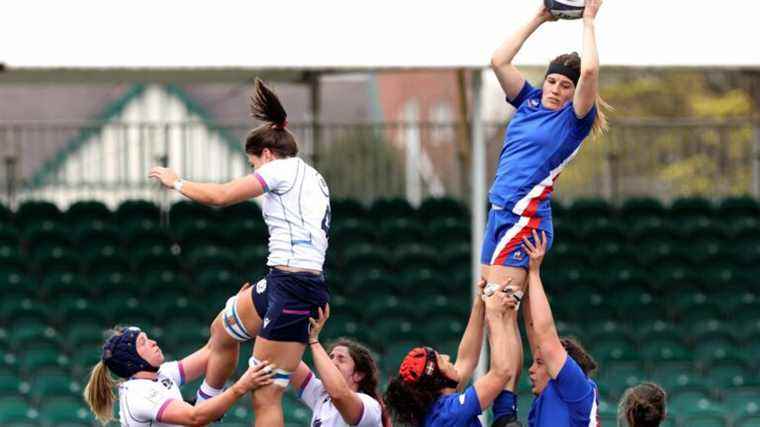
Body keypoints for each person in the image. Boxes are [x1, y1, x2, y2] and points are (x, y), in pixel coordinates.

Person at [149, 78, 331, 426]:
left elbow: (221, 196)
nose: (254, 171)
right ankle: (204, 407)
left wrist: (176, 182)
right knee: (222, 327)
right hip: (282, 280)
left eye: (253, 164)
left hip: (294, 287)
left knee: (265, 395)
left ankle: (203, 412)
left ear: (266, 154)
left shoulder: (279, 169)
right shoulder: (314, 177)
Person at [482, 0, 607, 296]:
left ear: (574, 93)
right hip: (499, 210)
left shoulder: (573, 120)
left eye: (565, 85)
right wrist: (539, 17)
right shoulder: (530, 101)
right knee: (489, 306)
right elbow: (499, 61)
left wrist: (588, 20)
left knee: (500, 308)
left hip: (525, 217)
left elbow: (588, 72)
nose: (555, 89)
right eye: (551, 80)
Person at [384, 280, 522, 426]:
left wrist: (480, 302)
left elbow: (466, 359)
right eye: (441, 360)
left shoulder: (435, 406)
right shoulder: (449, 414)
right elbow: (502, 372)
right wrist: (494, 315)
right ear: (439, 381)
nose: (447, 357)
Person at [83, 326, 274, 426]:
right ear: (132, 360)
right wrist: (241, 386)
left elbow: (212, 349)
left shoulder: (159, 374)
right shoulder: (139, 393)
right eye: (143, 342)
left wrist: (234, 314)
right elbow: (194, 418)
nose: (153, 342)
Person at [520, 230, 600, 426]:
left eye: (539, 363)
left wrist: (535, 272)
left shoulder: (578, 387)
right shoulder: (551, 394)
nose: (530, 370)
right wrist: (523, 278)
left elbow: (545, 336)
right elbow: (534, 328)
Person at [289, 305, 388, 427]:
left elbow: (339, 394)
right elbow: (288, 360)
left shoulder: (370, 406)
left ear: (358, 375)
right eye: (330, 357)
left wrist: (313, 340)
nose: (332, 363)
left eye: (341, 359)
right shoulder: (322, 395)